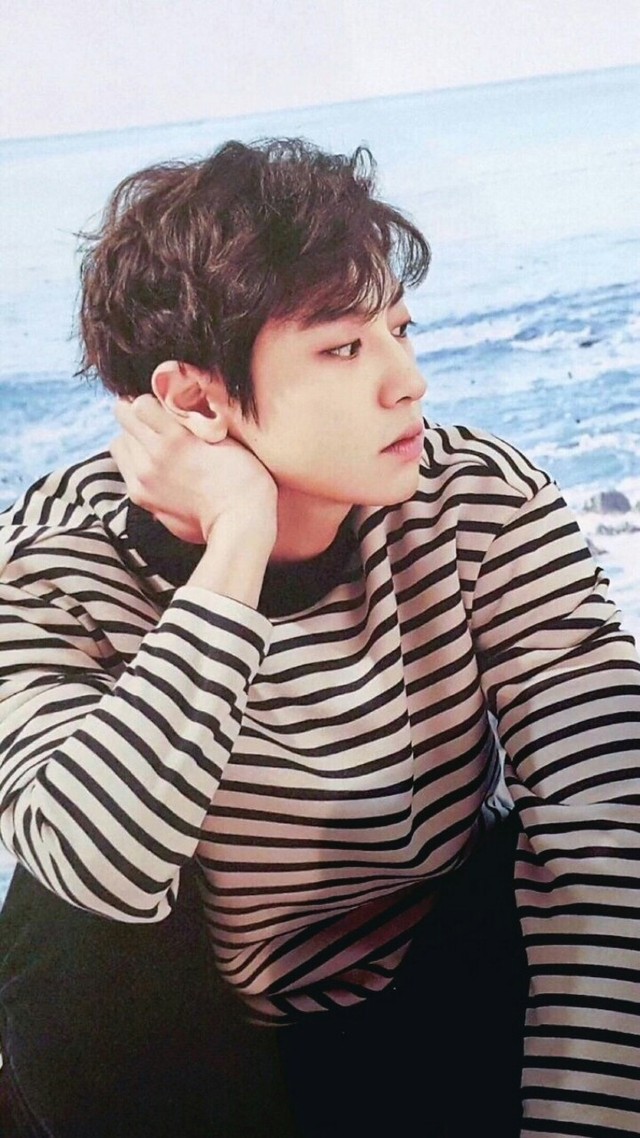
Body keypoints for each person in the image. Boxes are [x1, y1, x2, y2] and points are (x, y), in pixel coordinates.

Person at [0, 137, 638, 1138]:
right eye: (344, 348)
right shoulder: (51, 560)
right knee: (57, 921)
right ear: (195, 398)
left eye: (399, 329)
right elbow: (97, 868)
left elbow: (608, 827)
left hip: (450, 984)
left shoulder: (477, 497)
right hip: (204, 1050)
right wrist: (237, 543)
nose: (407, 381)